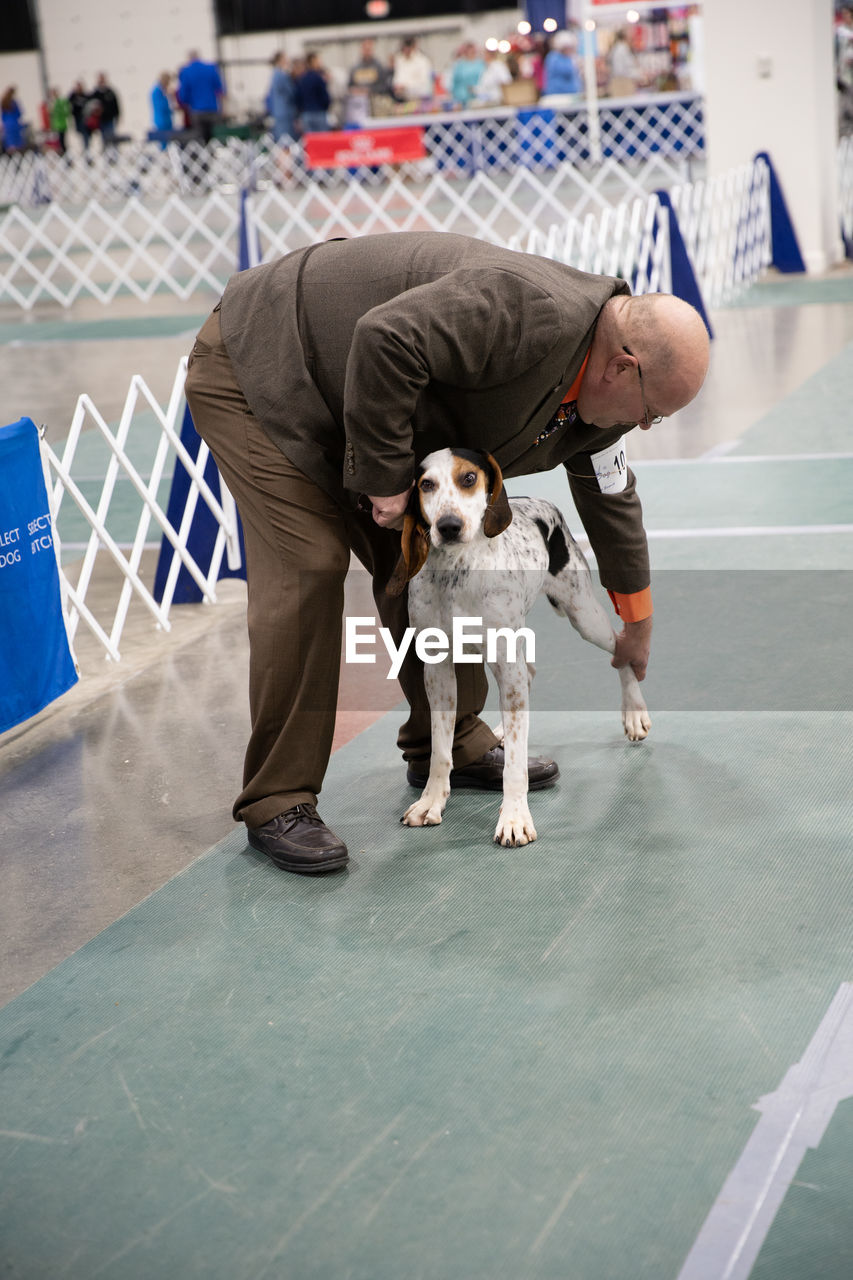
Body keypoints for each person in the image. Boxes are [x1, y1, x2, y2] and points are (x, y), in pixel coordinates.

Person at [183, 231, 710, 876]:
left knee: (439, 564)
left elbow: (610, 494)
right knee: (310, 565)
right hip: (267, 370)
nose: (647, 425)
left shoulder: (601, 392)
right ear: (621, 367)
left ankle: (451, 739)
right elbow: (384, 337)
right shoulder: (525, 311)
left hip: (367, 400)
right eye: (653, 411)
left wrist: (637, 617)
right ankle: (277, 798)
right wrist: (382, 479)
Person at [177, 50, 225, 143]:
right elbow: (220, 90)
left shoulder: (186, 71)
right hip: (213, 109)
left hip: (197, 111)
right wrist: (222, 108)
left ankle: (203, 154)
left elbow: (183, 94)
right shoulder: (211, 68)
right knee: (216, 138)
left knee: (200, 138)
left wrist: (184, 105)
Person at [295, 51, 331, 133]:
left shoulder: (302, 79)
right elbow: (325, 97)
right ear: (313, 62)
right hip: (319, 113)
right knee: (322, 141)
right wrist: (324, 107)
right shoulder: (319, 78)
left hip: (306, 114)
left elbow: (297, 97)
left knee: (311, 141)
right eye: (318, 61)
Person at [268, 51, 298, 143]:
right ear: (280, 60)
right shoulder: (281, 75)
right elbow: (292, 93)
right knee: (286, 140)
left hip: (280, 112)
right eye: (285, 58)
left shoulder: (275, 74)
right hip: (285, 113)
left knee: (283, 139)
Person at [392, 37, 434, 102]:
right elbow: (396, 80)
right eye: (404, 47)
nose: (406, 49)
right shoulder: (399, 59)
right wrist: (397, 86)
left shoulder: (423, 61)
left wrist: (406, 87)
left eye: (409, 46)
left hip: (420, 101)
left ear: (414, 46)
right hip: (403, 101)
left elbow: (425, 85)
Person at [543, 31, 583, 96]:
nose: (570, 50)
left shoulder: (569, 57)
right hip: (558, 94)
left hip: (572, 94)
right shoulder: (554, 58)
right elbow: (567, 71)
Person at [449, 42, 485, 108]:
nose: (471, 54)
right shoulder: (459, 65)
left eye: (473, 52)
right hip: (462, 99)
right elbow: (454, 83)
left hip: (479, 98)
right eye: (469, 52)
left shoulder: (481, 64)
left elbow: (485, 80)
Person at [607, 29, 639, 97]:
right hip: (623, 84)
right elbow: (620, 70)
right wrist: (638, 74)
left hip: (622, 81)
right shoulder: (622, 49)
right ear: (625, 37)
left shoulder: (616, 48)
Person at [92, 73, 121, 143]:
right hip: (101, 120)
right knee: (103, 138)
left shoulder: (110, 92)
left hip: (110, 119)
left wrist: (117, 116)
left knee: (111, 136)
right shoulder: (95, 93)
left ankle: (112, 151)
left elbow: (116, 105)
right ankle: (105, 150)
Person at [1, 87, 25, 152]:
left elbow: (3, 116)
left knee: (10, 143)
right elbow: (19, 113)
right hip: (14, 124)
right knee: (18, 143)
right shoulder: (14, 102)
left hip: (7, 125)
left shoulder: (4, 101)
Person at [47, 88, 71, 154]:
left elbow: (66, 112)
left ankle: (65, 154)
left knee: (62, 141)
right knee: (57, 142)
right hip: (55, 125)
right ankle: (61, 154)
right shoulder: (52, 103)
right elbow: (51, 115)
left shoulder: (61, 102)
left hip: (62, 124)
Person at [68, 80, 90, 150]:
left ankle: (86, 148)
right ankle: (84, 148)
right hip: (77, 118)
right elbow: (69, 101)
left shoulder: (85, 96)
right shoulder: (73, 96)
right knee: (80, 133)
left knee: (85, 134)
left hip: (85, 118)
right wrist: (73, 92)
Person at [150, 72, 174, 138]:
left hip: (166, 119)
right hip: (162, 120)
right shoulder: (157, 91)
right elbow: (162, 106)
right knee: (164, 139)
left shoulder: (162, 91)